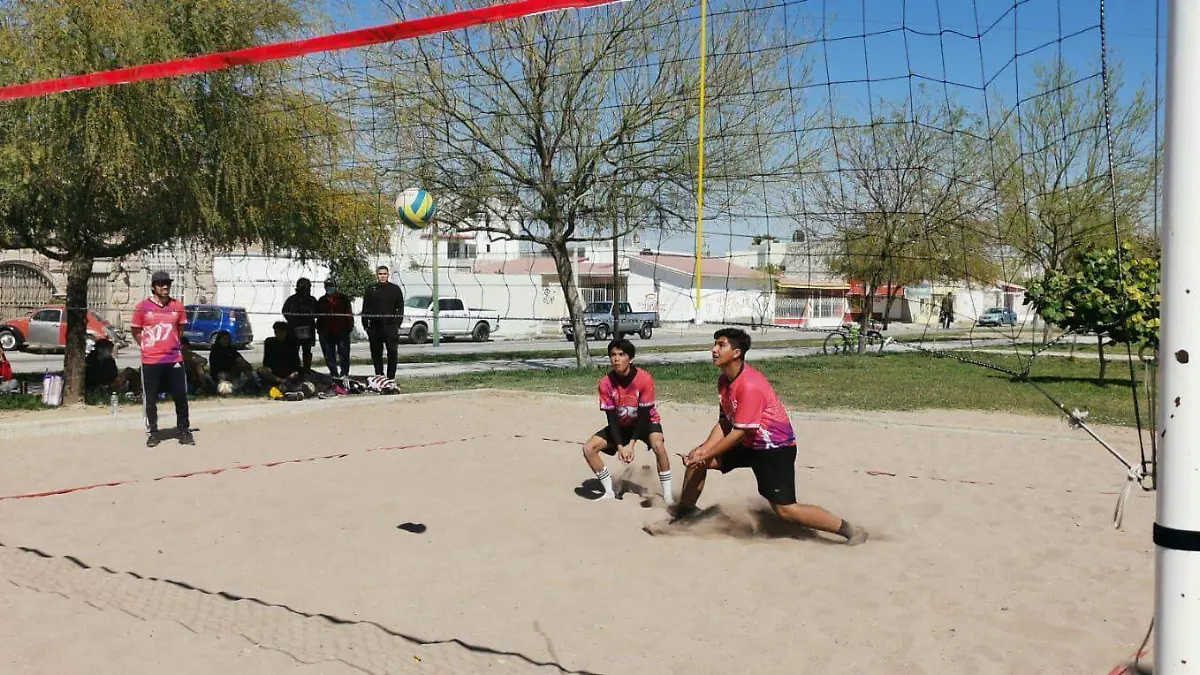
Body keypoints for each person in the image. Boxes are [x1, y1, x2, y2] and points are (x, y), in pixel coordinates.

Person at [674, 327, 867, 545]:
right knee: (697, 459)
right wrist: (704, 450)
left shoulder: (750, 385)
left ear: (737, 353)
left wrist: (706, 453)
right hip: (749, 442)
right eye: (715, 344)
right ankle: (685, 514)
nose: (714, 350)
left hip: (774, 448)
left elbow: (739, 434)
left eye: (721, 345)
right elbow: (726, 422)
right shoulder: (724, 381)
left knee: (787, 512)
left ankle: (850, 530)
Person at [581, 338, 675, 505]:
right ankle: (609, 491)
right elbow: (611, 419)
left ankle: (668, 496)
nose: (616, 359)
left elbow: (645, 415)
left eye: (621, 354)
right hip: (621, 425)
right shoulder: (605, 383)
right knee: (588, 448)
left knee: (658, 445)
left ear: (630, 359)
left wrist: (630, 446)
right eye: (612, 355)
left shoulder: (644, 379)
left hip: (645, 422)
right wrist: (619, 447)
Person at [131, 270, 193, 446]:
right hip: (151, 359)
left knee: (180, 396)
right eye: (160, 283)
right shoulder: (142, 307)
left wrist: (172, 344)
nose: (165, 286)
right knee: (150, 399)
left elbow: (180, 331)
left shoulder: (177, 307)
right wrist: (146, 345)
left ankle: (184, 430)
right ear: (153, 287)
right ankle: (153, 432)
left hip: (173, 358)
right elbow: (136, 331)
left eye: (167, 283)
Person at [361, 265, 404, 379]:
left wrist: (397, 323)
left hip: (390, 327)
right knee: (376, 354)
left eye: (384, 274)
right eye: (380, 274)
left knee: (392, 353)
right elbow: (365, 308)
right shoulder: (371, 289)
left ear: (388, 275)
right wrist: (366, 326)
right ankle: (379, 376)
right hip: (375, 327)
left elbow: (400, 307)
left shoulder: (395, 289)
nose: (382, 276)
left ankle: (391, 378)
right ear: (377, 275)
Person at [316, 278, 354, 378]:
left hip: (342, 330)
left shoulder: (343, 298)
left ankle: (344, 373)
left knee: (344, 353)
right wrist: (319, 330)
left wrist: (349, 327)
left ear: (335, 286)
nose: (329, 288)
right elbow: (318, 316)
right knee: (329, 354)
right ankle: (334, 373)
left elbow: (348, 313)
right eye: (327, 286)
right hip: (326, 331)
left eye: (331, 285)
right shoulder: (322, 300)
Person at [282, 277, 318, 370]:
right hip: (294, 329)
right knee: (294, 350)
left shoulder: (312, 300)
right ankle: (295, 368)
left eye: (307, 288)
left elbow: (318, 312)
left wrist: (310, 317)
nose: (306, 290)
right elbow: (285, 311)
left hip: (308, 329)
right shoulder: (292, 299)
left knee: (307, 350)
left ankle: (307, 369)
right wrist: (292, 320)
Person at [258, 321, 302, 387]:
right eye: (276, 332)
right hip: (274, 371)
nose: (278, 334)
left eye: (281, 332)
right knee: (263, 370)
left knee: (299, 373)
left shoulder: (291, 343)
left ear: (286, 332)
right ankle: (282, 382)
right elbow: (266, 361)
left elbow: (296, 361)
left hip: (288, 370)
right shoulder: (269, 342)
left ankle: (284, 382)